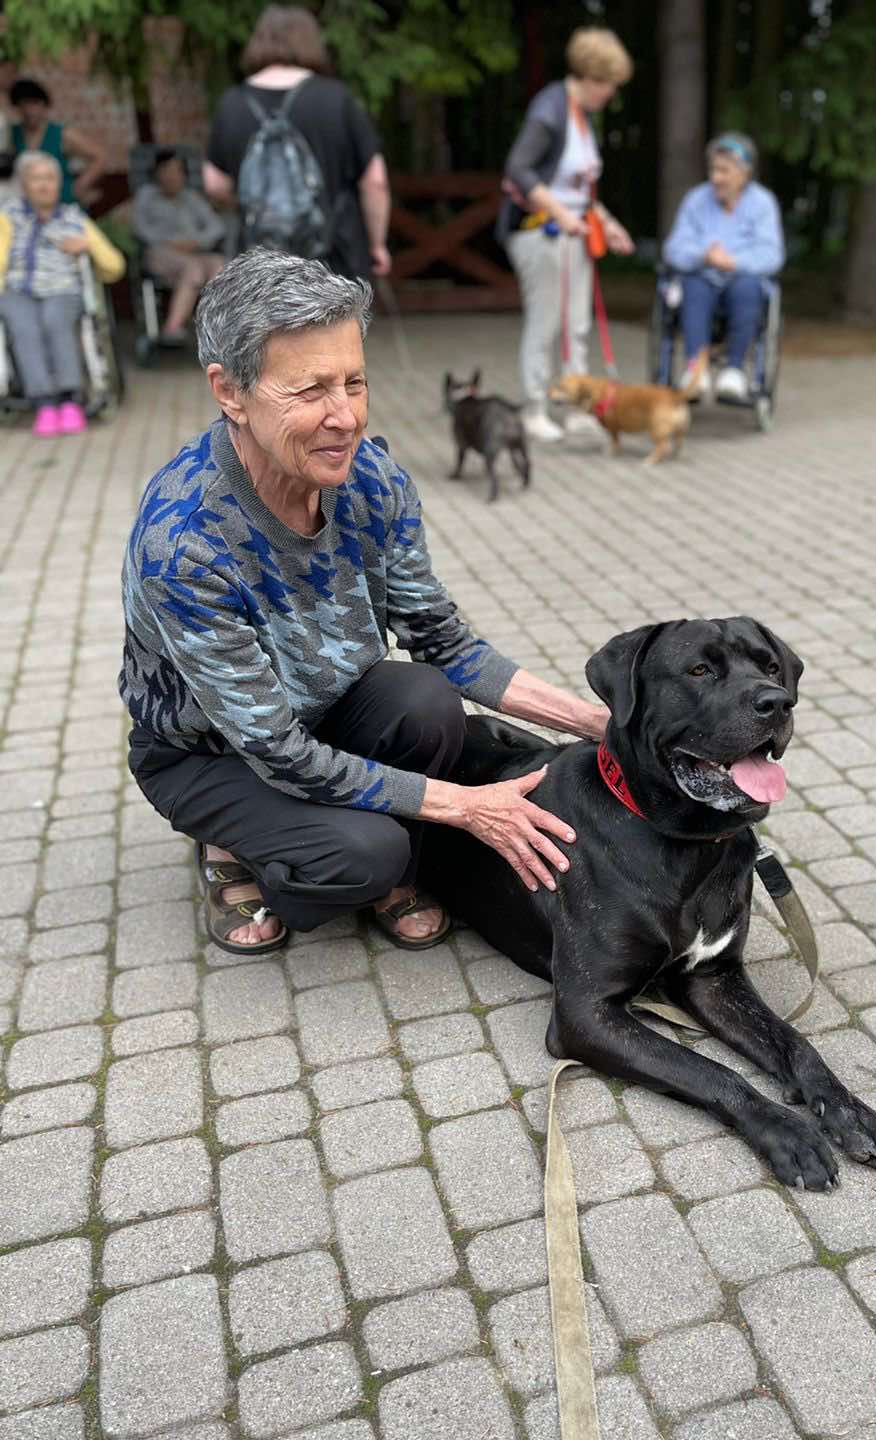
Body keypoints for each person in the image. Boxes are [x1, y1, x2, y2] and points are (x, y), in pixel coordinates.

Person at [119, 248, 609, 956]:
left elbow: (443, 641)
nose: (344, 417)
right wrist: (468, 810)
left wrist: (599, 722)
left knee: (427, 697)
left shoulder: (371, 480)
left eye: (354, 381)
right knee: (365, 856)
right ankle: (232, 846)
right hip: (210, 752)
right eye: (310, 390)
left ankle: (359, 840)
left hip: (322, 712)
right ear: (230, 392)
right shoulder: (184, 542)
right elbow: (278, 750)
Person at [498, 26, 635, 444]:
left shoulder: (582, 117)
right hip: (540, 234)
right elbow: (517, 170)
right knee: (546, 322)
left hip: (574, 236)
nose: (610, 95)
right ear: (591, 77)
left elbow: (580, 188)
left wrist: (606, 224)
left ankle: (577, 407)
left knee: (577, 324)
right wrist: (562, 215)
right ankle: (534, 408)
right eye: (609, 86)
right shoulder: (550, 110)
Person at [203, 5, 391, 282]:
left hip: (261, 261)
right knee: (338, 324)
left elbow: (214, 184)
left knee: (267, 326)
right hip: (335, 256)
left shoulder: (232, 104)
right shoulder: (336, 99)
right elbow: (375, 181)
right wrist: (377, 245)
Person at [0, 150, 124, 437]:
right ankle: (44, 403)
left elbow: (115, 266)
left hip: (63, 291)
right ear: (24, 184)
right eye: (36, 179)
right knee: (24, 326)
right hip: (18, 292)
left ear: (59, 183)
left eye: (50, 178)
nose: (44, 185)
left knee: (55, 320)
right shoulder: (7, 217)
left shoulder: (73, 219)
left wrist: (87, 246)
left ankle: (69, 399)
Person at [662, 132, 784, 403]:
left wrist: (734, 262)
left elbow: (772, 254)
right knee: (693, 285)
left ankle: (734, 370)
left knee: (748, 286)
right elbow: (673, 248)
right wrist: (703, 255)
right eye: (713, 170)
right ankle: (697, 369)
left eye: (724, 171)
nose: (716, 178)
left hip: (742, 279)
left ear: (745, 173)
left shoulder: (763, 203)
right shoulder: (696, 200)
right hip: (702, 275)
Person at [133, 147, 226, 345]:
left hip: (193, 252)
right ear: (157, 174)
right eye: (166, 171)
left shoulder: (191, 198)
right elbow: (140, 228)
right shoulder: (146, 197)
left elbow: (216, 226)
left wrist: (197, 242)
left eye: (176, 171)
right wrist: (170, 242)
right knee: (194, 269)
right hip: (160, 252)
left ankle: (220, 329)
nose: (171, 177)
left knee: (220, 265)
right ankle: (172, 328)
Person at [8, 79, 105, 208]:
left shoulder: (62, 133)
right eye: (25, 104)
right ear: (18, 107)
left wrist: (80, 185)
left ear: (44, 105)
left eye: (35, 104)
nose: (30, 111)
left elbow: (100, 156)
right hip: (26, 204)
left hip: (62, 202)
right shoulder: (12, 133)